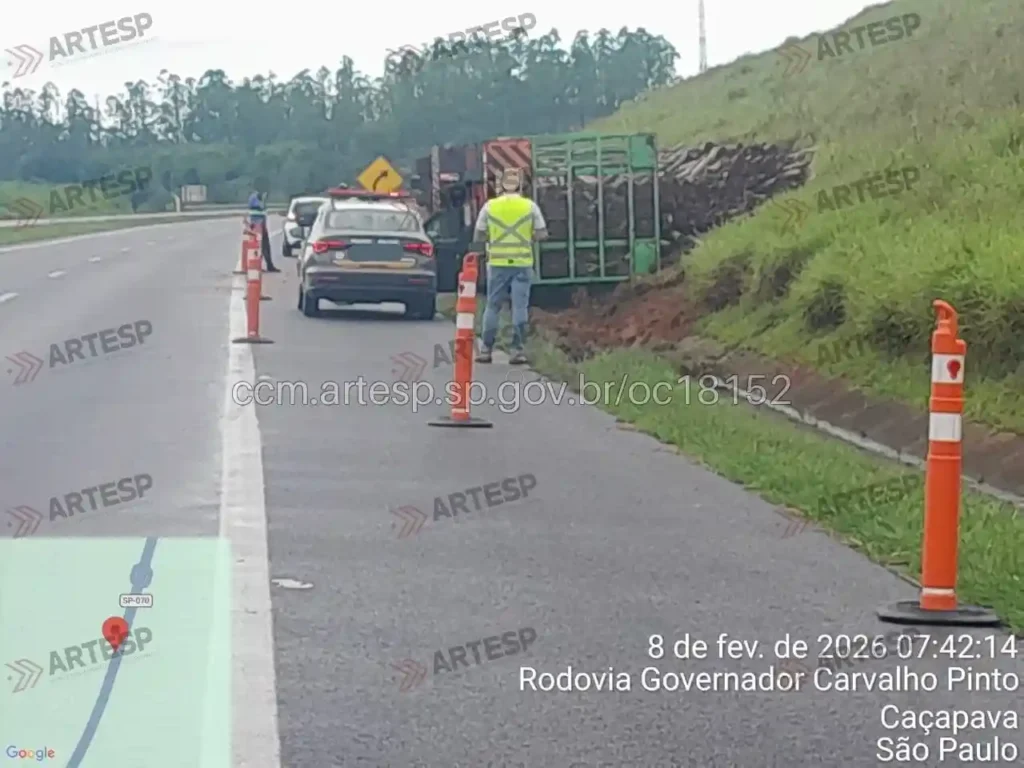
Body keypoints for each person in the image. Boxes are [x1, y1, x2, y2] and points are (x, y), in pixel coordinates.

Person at [472, 168, 547, 365]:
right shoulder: (530, 206)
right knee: (520, 307)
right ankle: (517, 351)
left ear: (501, 186)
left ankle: (486, 349)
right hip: (522, 263)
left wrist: (492, 238)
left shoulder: (490, 206)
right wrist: (527, 236)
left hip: (497, 263)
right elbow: (541, 234)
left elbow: (479, 235)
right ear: (520, 185)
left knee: (493, 306)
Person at [247, 189, 279, 273]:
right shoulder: (255, 198)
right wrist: (263, 199)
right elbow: (259, 209)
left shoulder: (255, 198)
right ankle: (258, 266)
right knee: (259, 246)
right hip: (257, 226)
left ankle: (269, 265)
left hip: (261, 225)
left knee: (265, 246)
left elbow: (262, 212)